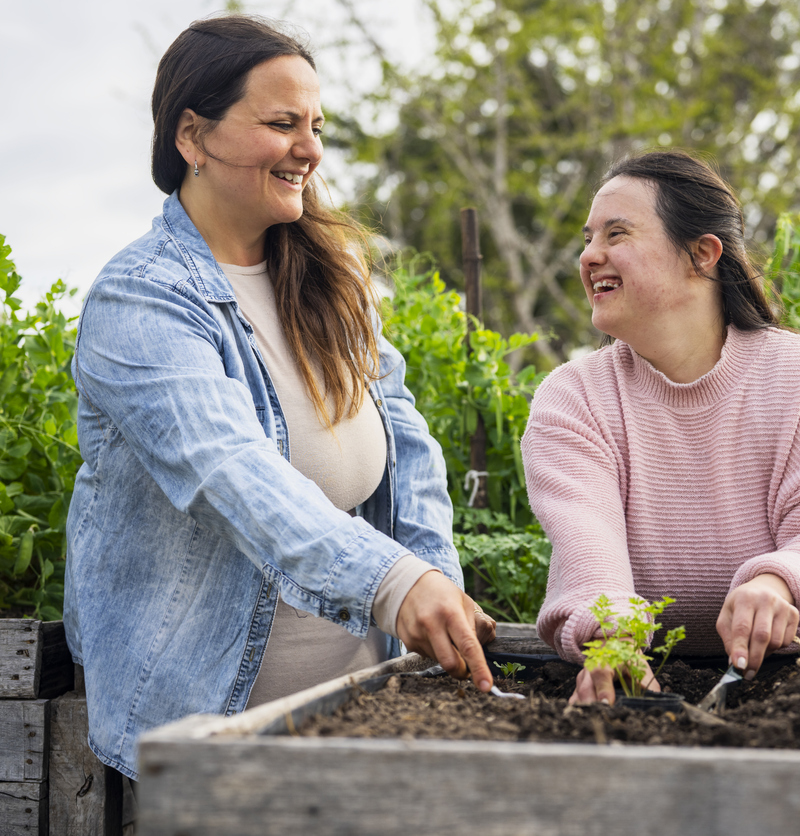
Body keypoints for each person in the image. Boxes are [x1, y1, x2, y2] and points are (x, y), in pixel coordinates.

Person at [63, 15, 495, 782]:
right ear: (192, 137)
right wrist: (394, 584)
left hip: (360, 709)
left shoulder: (334, 278)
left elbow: (408, 446)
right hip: (215, 738)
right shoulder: (141, 302)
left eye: (315, 125)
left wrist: (434, 580)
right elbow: (233, 470)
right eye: (282, 123)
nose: (311, 148)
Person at [522, 150, 800, 705]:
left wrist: (778, 583)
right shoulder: (573, 398)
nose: (589, 256)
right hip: (638, 675)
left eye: (616, 234)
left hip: (794, 685)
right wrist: (614, 643)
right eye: (588, 237)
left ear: (702, 254)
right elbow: (588, 549)